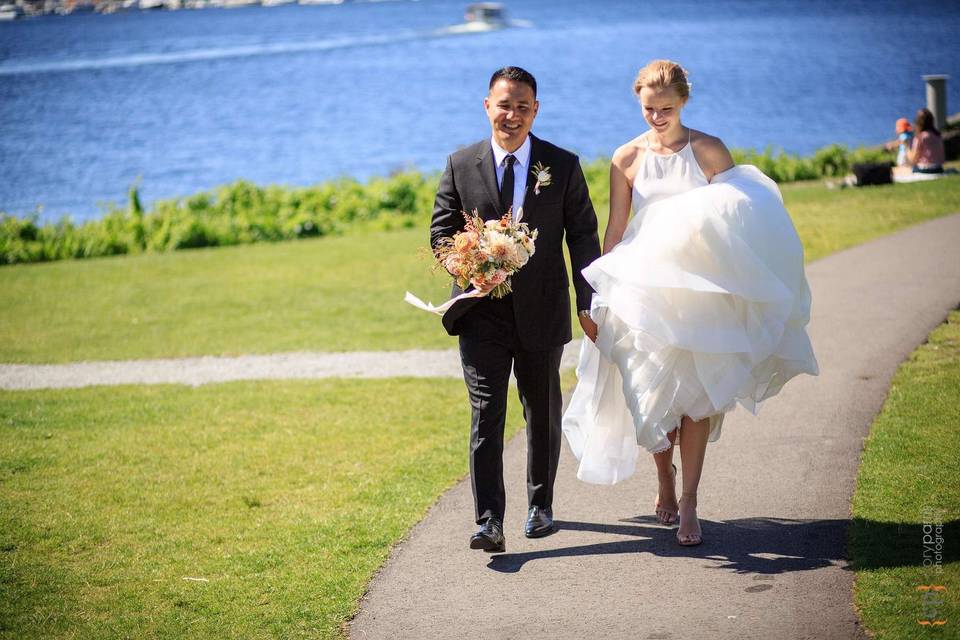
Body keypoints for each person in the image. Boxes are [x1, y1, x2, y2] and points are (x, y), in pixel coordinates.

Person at [562, 60, 819, 546]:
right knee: (647, 394)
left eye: (667, 108)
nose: (657, 117)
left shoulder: (708, 150)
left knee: (695, 401)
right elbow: (616, 228)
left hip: (698, 294)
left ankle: (689, 502)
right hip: (642, 292)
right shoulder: (626, 158)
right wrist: (597, 293)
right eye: (648, 109)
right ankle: (663, 477)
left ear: (683, 103)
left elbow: (743, 217)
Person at [431, 66, 601, 553]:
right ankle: (488, 522)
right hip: (480, 316)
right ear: (487, 105)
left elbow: (583, 237)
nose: (513, 115)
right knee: (487, 415)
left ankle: (541, 506)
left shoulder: (562, 165)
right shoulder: (460, 164)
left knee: (542, 412)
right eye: (504, 105)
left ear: (536, 111)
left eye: (523, 106)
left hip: (543, 313)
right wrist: (468, 264)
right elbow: (441, 233)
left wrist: (587, 302)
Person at [907, 108, 945, 173]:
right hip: (939, 168)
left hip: (924, 170)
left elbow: (913, 160)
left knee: (899, 170)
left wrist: (907, 147)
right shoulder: (937, 135)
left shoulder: (920, 137)